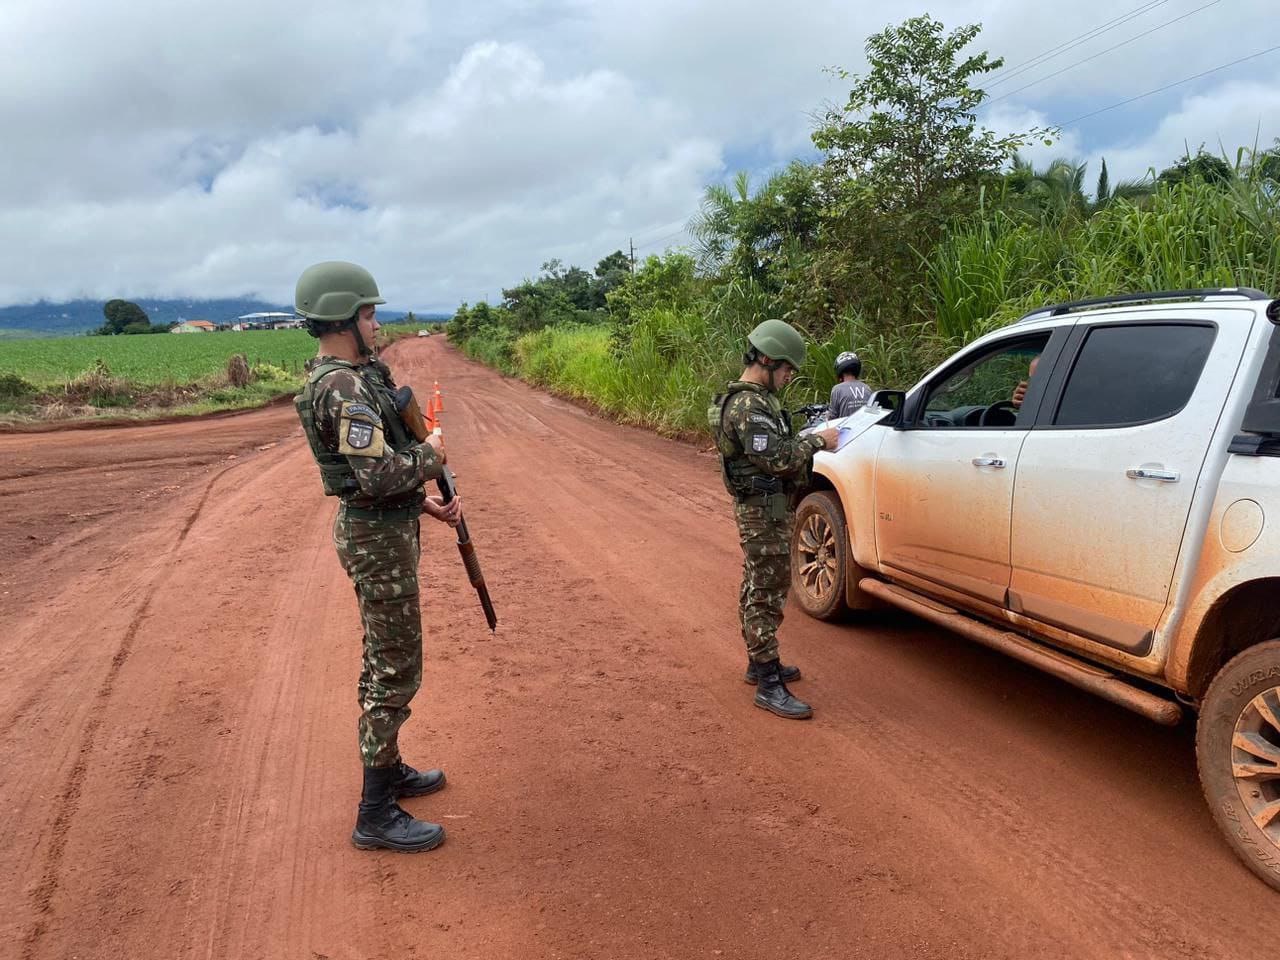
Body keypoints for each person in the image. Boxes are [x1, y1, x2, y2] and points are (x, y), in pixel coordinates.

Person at [293, 260, 462, 853]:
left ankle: (388, 770)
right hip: (375, 541)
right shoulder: (341, 387)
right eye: (368, 312)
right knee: (395, 668)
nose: (376, 321)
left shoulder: (362, 376)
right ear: (342, 318)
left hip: (386, 530)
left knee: (383, 658)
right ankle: (375, 813)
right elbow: (376, 475)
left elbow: (379, 479)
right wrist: (433, 456)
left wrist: (425, 507)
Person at [709, 319, 840, 720]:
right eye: (786, 368)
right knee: (767, 587)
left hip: (767, 507)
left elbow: (775, 449)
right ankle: (768, 682)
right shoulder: (749, 406)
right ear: (765, 358)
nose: (788, 376)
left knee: (757, 581)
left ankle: (759, 662)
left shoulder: (757, 402)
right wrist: (819, 439)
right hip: (762, 511)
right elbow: (777, 458)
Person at [828, 351, 873, 418]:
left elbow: (832, 417)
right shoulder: (867, 388)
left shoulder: (837, 389)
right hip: (865, 427)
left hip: (846, 428)